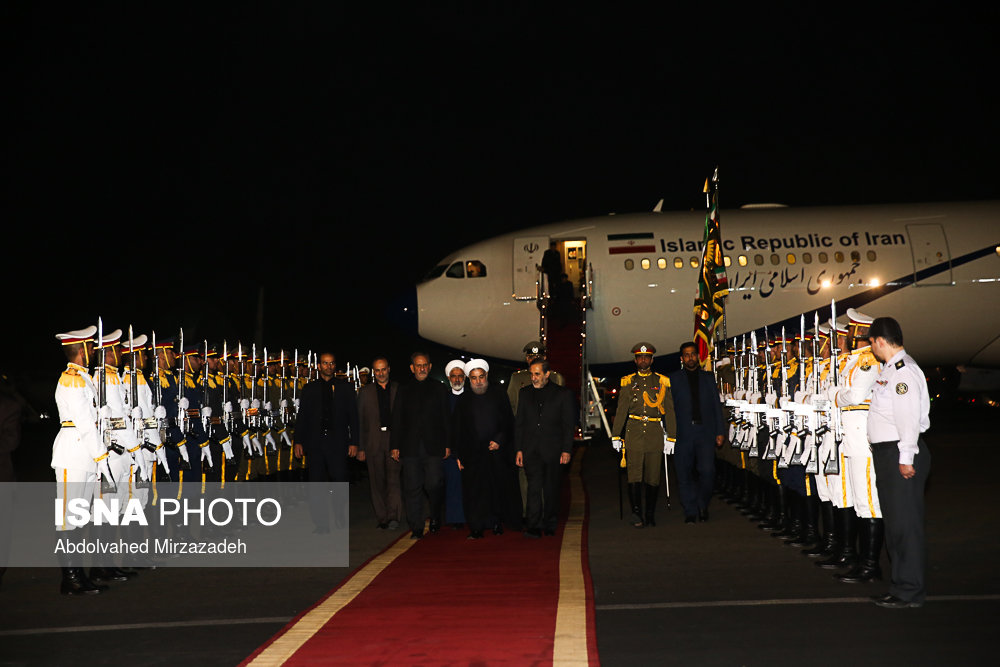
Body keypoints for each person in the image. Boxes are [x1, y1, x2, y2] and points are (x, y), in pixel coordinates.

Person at [866, 316, 931, 609]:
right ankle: (901, 584)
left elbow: (908, 419)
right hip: (889, 454)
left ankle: (909, 590)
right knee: (896, 526)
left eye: (871, 342)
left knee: (905, 526)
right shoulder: (890, 370)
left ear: (881, 340)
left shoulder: (903, 373)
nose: (871, 347)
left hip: (900, 454)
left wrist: (905, 457)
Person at [828, 309, 885, 583]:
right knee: (853, 501)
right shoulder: (852, 360)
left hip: (862, 438)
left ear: (861, 333)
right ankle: (858, 558)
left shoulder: (868, 361)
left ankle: (871, 565)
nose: (847, 334)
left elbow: (856, 395)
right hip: (849, 437)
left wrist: (835, 395)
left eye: (851, 330)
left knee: (868, 504)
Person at [52, 326, 105, 595]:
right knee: (67, 518)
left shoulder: (85, 378)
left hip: (84, 452)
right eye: (91, 347)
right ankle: (70, 577)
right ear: (81, 349)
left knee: (78, 517)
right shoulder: (72, 379)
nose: (94, 350)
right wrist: (102, 456)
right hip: (74, 450)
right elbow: (84, 423)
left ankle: (78, 575)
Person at [611, 343, 677, 528]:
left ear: (652, 360)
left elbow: (670, 412)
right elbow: (622, 410)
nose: (643, 360)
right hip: (634, 432)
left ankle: (650, 513)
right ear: (635, 360)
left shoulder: (662, 381)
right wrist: (616, 435)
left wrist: (671, 437)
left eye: (647, 357)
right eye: (640, 357)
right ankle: (637, 512)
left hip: (655, 433)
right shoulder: (627, 382)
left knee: (653, 476)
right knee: (634, 475)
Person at [451, 359, 517, 539]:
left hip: (495, 452)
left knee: (495, 488)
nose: (478, 381)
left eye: (481, 377)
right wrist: (457, 455)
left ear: (486, 376)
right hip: (471, 454)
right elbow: (457, 428)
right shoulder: (464, 400)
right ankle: (476, 527)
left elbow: (508, 422)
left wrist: (499, 440)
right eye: (474, 378)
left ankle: (496, 523)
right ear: (469, 379)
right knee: (474, 492)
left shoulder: (499, 394)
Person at [293, 352, 359, 532]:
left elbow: (353, 417)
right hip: (315, 443)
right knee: (316, 485)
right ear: (319, 366)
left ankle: (338, 512)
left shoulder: (345, 388)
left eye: (331, 363)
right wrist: (298, 441)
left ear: (334, 366)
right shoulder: (309, 389)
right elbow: (303, 417)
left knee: (339, 480)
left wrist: (355, 442)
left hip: (338, 443)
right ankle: (321, 523)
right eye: (325, 363)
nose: (328, 366)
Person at [390, 352, 451, 539]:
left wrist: (448, 444)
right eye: (418, 365)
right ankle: (416, 527)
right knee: (412, 488)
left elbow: (446, 418)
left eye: (425, 365)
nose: (422, 368)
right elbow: (397, 419)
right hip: (410, 448)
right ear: (412, 368)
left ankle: (435, 516)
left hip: (434, 447)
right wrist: (395, 445)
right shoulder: (404, 389)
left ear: (430, 367)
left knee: (434, 484)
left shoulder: (439, 388)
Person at [515, 359, 574, 537]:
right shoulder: (524, 393)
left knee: (551, 489)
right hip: (530, 449)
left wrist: (566, 450)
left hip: (554, 450)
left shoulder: (563, 394)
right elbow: (520, 423)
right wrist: (518, 449)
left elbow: (568, 425)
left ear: (547, 374)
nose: (533, 378)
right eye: (532, 374)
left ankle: (550, 523)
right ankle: (533, 525)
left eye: (537, 374)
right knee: (533, 488)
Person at [668, 342, 725, 523]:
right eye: (686, 354)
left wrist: (720, 431)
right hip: (682, 433)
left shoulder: (708, 378)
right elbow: (667, 409)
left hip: (705, 432)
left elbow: (716, 406)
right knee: (684, 473)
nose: (690, 357)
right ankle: (690, 510)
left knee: (707, 471)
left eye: (693, 354)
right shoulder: (673, 379)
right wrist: (667, 433)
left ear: (697, 356)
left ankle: (702, 503)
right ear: (681, 358)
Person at [356, 356, 402, 530]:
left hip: (394, 440)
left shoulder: (399, 390)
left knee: (394, 480)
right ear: (374, 372)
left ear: (389, 369)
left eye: (383, 369)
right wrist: (360, 447)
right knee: (377, 481)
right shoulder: (365, 393)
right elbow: (359, 422)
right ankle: (382, 517)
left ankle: (394, 517)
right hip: (373, 442)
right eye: (377, 370)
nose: (381, 373)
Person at [442, 359, 467, 528]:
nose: (457, 379)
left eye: (460, 376)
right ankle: (455, 519)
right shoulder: (443, 398)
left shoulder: (471, 396)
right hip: (449, 449)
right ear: (449, 378)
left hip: (469, 448)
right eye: (454, 376)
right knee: (452, 484)